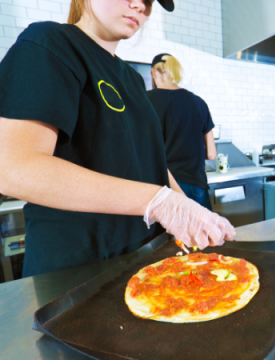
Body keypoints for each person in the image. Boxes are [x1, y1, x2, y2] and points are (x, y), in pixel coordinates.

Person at [0, 0, 235, 277]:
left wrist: (187, 207)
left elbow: (151, 161)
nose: (139, 5)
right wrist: (159, 202)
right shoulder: (49, 44)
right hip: (78, 271)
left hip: (144, 258)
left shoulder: (133, 79)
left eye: (148, 1)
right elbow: (13, 168)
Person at [147, 53, 216, 210]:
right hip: (196, 185)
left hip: (164, 187)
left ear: (154, 72)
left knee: (170, 235)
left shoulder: (146, 100)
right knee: (201, 233)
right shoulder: (199, 103)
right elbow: (211, 154)